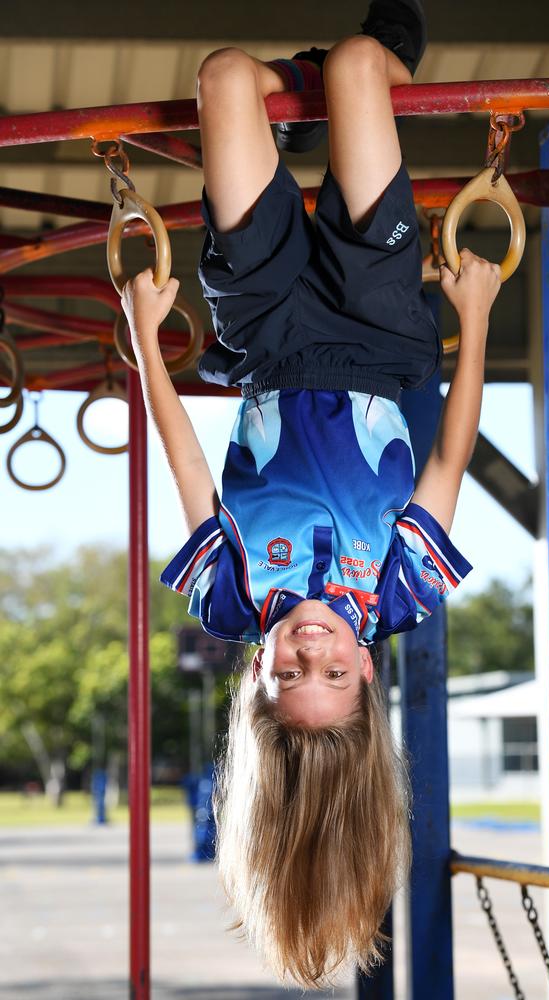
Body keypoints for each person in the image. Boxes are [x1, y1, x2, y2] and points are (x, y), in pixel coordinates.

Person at [122, 0, 501, 988]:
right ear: (365, 680)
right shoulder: (404, 591)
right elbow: (447, 461)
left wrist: (142, 338)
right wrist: (471, 315)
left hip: (262, 335)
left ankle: (294, 100)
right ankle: (343, 82)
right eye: (330, 677)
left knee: (222, 75)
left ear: (256, 679)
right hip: (381, 334)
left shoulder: (230, 594)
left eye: (288, 677)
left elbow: (187, 466)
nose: (310, 654)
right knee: (368, 62)